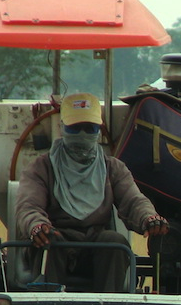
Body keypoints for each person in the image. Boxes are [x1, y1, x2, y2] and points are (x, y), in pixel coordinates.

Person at [15, 92, 168, 291]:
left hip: (96, 242)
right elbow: (28, 207)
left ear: (99, 130)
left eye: (89, 128)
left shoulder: (113, 168)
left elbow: (134, 201)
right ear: (63, 128)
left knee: (115, 242)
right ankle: (50, 304)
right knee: (52, 241)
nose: (82, 135)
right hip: (57, 241)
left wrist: (149, 218)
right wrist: (37, 226)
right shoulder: (41, 167)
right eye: (75, 128)